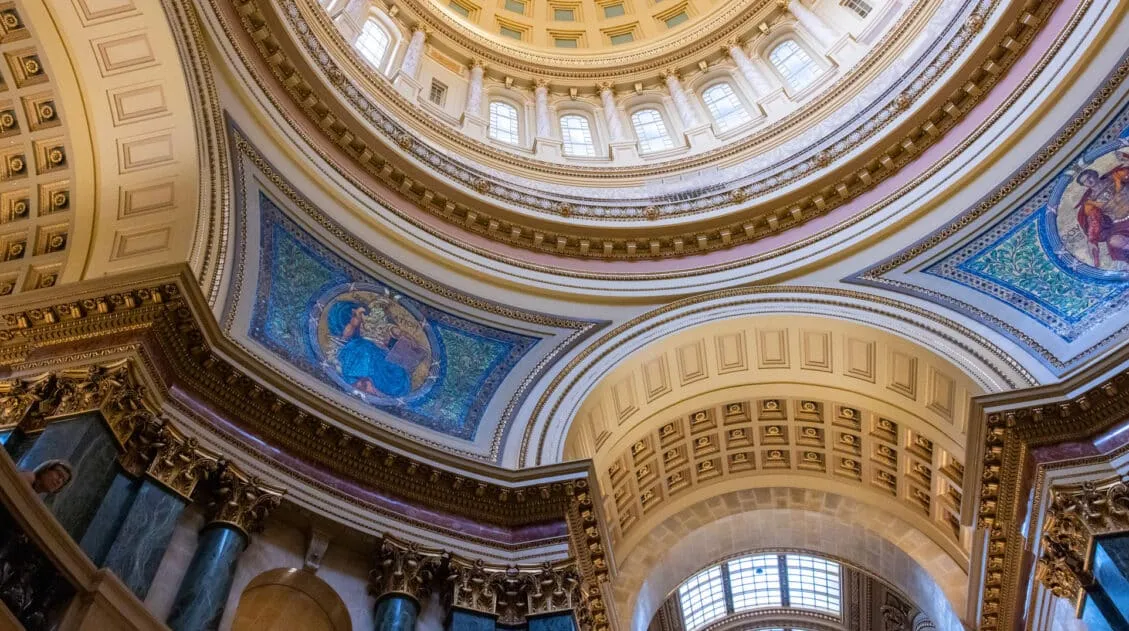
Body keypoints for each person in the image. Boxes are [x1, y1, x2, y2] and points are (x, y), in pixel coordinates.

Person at [325, 300, 412, 397]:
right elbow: (346, 335)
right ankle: (362, 381)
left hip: (380, 352)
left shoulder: (389, 327)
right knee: (364, 352)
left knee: (396, 372)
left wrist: (404, 336)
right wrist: (354, 322)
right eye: (375, 310)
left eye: (380, 311)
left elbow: (402, 336)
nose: (377, 313)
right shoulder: (362, 318)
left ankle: (370, 384)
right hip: (363, 347)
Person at [1074, 159, 1129, 268]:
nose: (1089, 181)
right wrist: (1092, 241)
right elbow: (1094, 221)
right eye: (1085, 181)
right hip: (1120, 224)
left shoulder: (1115, 177)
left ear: (1095, 174)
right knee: (1114, 241)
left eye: (1089, 177)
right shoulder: (1090, 202)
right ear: (1084, 185)